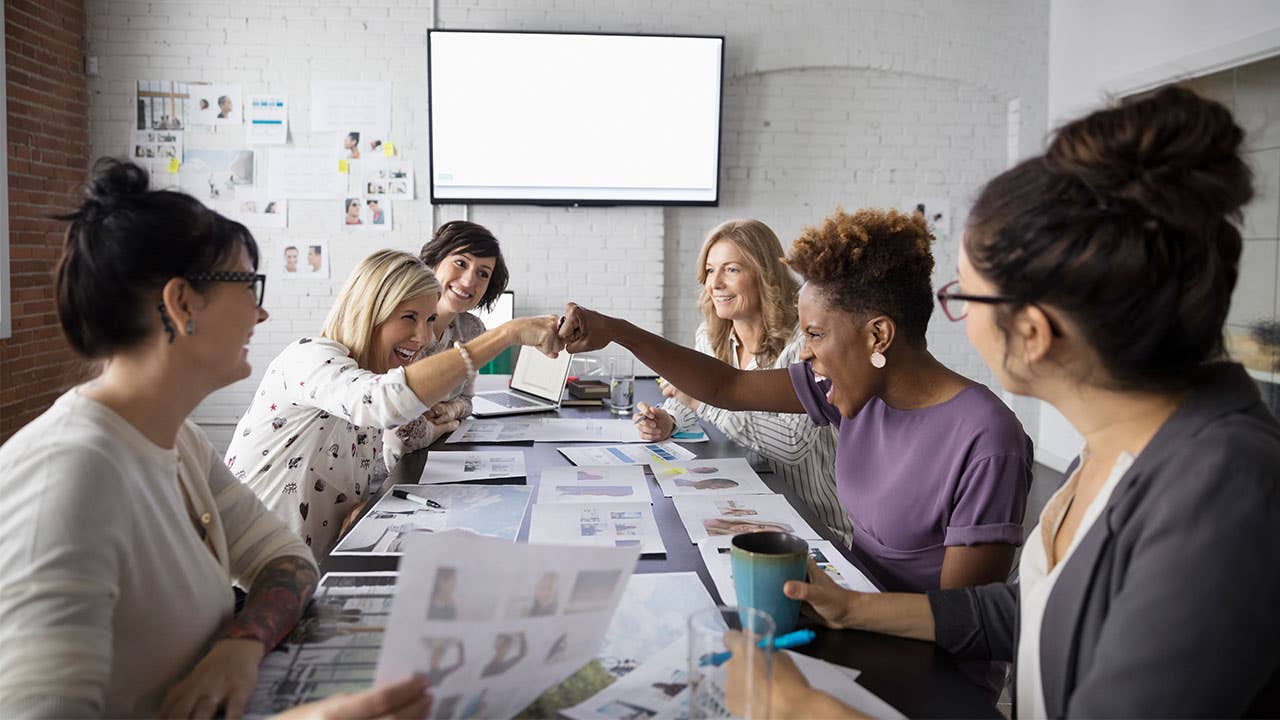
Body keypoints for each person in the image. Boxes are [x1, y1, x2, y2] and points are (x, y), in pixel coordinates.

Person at [728, 85, 1280, 719]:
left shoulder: (1223, 488)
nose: (955, 315)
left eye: (967, 296)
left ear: (1035, 332)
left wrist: (801, 707)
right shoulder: (1121, 445)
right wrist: (855, 607)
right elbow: (1031, 606)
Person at [560, 208, 1033, 594]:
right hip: (850, 600)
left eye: (815, 335)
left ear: (879, 336)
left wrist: (837, 605)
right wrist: (618, 331)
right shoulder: (849, 387)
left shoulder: (988, 440)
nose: (804, 352)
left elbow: (963, 621)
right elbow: (728, 387)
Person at [0, 159, 320, 718]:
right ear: (183, 302)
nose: (261, 312)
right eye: (248, 286)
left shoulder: (179, 440)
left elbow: (286, 558)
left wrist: (240, 645)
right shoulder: (71, 475)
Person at [226, 249, 563, 556]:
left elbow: (401, 430)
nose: (425, 338)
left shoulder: (373, 374)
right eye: (409, 318)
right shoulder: (308, 357)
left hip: (306, 570)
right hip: (247, 582)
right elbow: (385, 403)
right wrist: (506, 335)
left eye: (430, 320)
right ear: (368, 311)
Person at [634, 219, 852, 544]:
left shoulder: (805, 343)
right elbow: (690, 399)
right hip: (749, 504)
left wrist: (701, 398)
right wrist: (670, 418)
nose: (715, 284)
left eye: (731, 270)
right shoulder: (711, 335)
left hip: (814, 521)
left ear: (764, 275)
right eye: (710, 271)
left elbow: (793, 445)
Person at [384, 221, 512, 468]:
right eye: (461, 263)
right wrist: (447, 427)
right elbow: (399, 436)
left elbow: (467, 400)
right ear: (434, 261)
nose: (469, 280)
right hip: (385, 471)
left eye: (483, 273)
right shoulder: (398, 323)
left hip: (435, 461)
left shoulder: (472, 329)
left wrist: (452, 411)